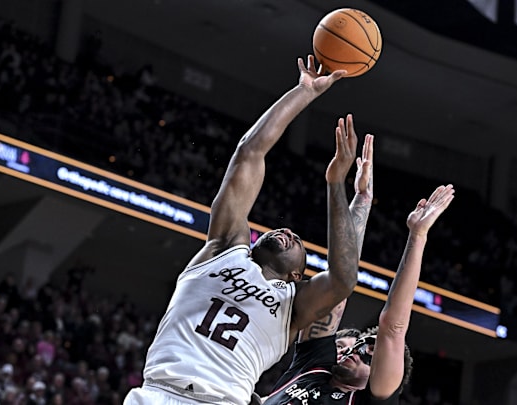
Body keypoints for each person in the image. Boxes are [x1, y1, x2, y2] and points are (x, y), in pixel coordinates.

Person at [124, 55, 362, 405]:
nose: (288, 232)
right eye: (286, 231)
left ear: (298, 274)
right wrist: (303, 93)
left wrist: (336, 183)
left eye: (297, 241)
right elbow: (249, 153)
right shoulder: (224, 247)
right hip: (158, 393)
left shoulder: (294, 304)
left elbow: (344, 278)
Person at [262, 184, 455, 404]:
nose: (357, 350)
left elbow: (392, 328)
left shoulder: (364, 401)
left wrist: (418, 235)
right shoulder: (312, 367)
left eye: (370, 354)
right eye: (352, 345)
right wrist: (362, 199)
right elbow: (338, 283)